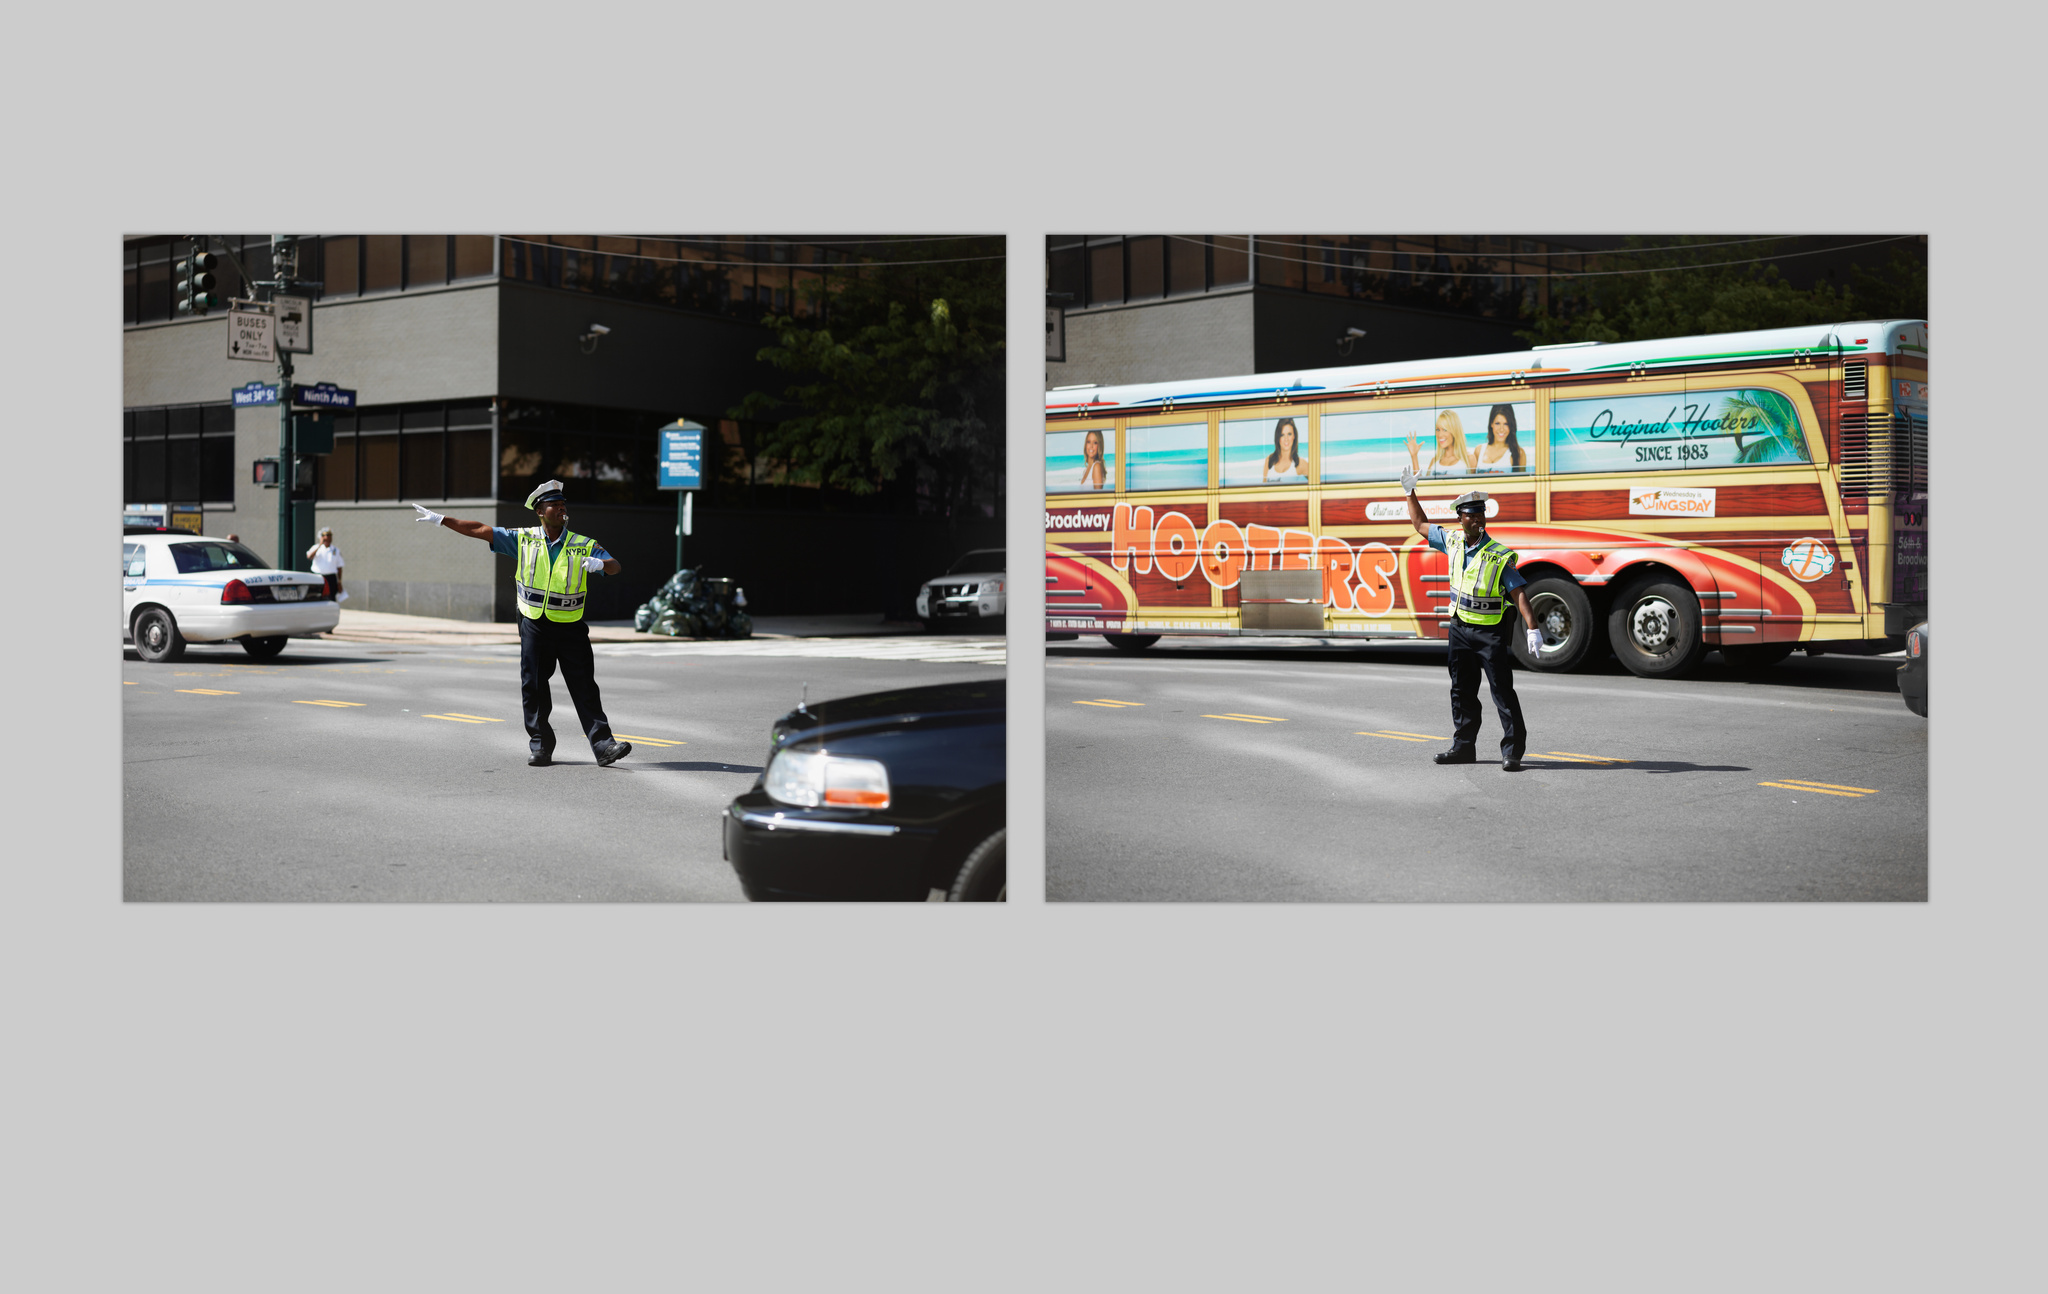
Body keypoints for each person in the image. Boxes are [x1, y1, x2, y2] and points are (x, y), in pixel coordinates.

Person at [412, 480, 631, 769]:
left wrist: (601, 565)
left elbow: (615, 566)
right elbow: (479, 529)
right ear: (540, 511)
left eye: (564, 504)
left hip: (571, 626)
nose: (562, 508)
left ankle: (604, 746)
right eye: (555, 505)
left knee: (584, 687)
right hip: (534, 623)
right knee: (535, 686)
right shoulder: (524, 539)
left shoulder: (583, 544)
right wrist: (442, 520)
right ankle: (541, 746)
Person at [1401, 471, 1542, 771]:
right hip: (1460, 630)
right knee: (1461, 690)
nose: (1478, 520)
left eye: (1482, 515)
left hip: (1489, 633)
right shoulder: (1451, 542)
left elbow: (1519, 592)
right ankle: (1464, 747)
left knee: (1502, 690)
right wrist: (1410, 492)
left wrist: (1533, 628)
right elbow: (1419, 525)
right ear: (1460, 518)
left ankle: (1513, 750)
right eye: (1471, 515)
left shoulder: (1498, 555)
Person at [1406, 410, 1475, 478]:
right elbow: (1423, 486)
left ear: (1455, 431)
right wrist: (1414, 456)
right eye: (1438, 430)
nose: (1440, 435)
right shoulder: (1434, 461)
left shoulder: (1468, 459)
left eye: (1445, 430)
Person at [1473, 404, 1526, 473]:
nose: (1501, 429)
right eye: (1497, 423)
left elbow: (1522, 483)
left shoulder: (1519, 453)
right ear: (1491, 424)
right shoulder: (1479, 450)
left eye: (1506, 424)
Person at [306, 528, 347, 602]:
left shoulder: (335, 550)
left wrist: (339, 582)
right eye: (325, 536)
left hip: (331, 578)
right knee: (316, 597)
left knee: (331, 598)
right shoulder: (316, 547)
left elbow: (339, 567)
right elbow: (309, 557)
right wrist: (320, 545)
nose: (328, 538)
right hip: (317, 576)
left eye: (330, 536)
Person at [1264, 417, 1307, 482]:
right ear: (1278, 437)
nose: (1286, 439)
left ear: (1294, 436)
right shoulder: (1269, 460)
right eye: (1282, 435)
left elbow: (1317, 481)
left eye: (1289, 434)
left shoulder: (1300, 463)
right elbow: (1263, 489)